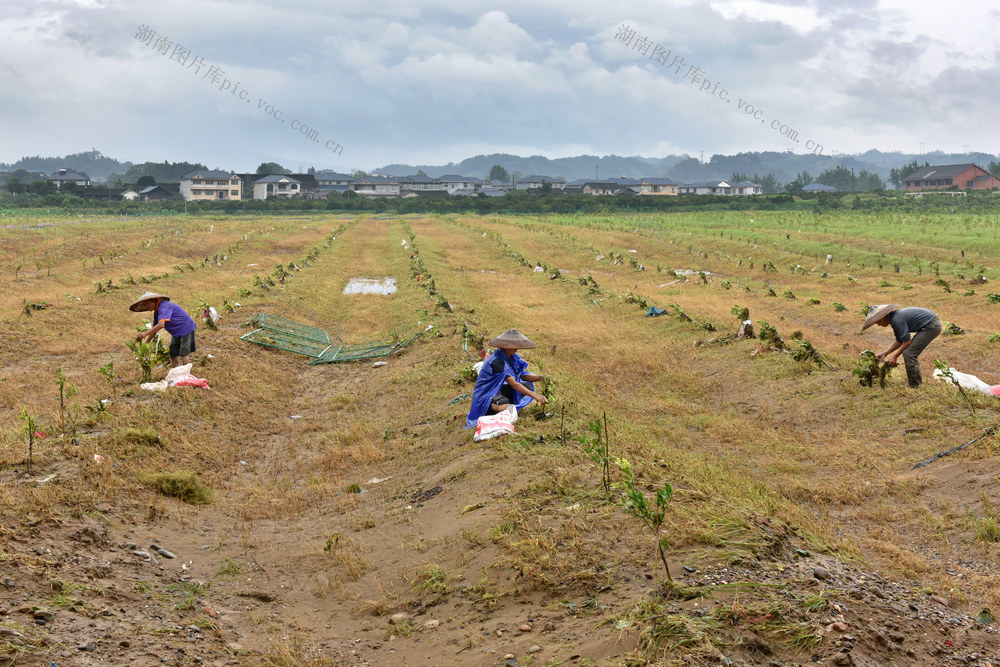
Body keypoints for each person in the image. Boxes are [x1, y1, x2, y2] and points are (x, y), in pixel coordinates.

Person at [466, 329, 547, 428]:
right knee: (502, 403)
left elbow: (523, 375)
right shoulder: (498, 361)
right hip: (485, 395)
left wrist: (540, 378)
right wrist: (535, 396)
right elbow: (514, 384)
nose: (517, 348)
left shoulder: (512, 357)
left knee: (527, 386)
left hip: (496, 390)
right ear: (505, 346)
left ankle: (504, 406)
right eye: (513, 345)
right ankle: (494, 409)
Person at [861, 304, 941, 387]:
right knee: (908, 352)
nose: (878, 324)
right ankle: (913, 383)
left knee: (909, 353)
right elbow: (899, 341)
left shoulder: (897, 320)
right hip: (931, 323)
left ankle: (915, 385)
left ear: (883, 317)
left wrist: (894, 356)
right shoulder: (894, 319)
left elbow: (907, 342)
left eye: (877, 321)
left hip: (931, 326)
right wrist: (885, 353)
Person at [129, 291, 198, 367]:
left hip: (186, 328)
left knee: (184, 353)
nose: (146, 307)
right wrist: (147, 342)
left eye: (146, 304)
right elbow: (155, 330)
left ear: (153, 301)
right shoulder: (157, 312)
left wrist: (145, 333)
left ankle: (187, 375)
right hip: (176, 333)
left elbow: (161, 325)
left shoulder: (164, 306)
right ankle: (176, 373)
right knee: (173, 353)